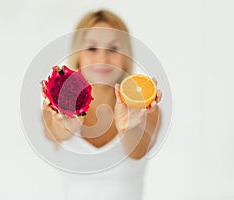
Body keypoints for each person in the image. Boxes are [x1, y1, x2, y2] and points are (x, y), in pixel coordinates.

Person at [42, 9, 162, 200]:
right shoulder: (55, 108)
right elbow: (54, 132)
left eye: (113, 49)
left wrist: (129, 127)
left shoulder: (145, 108)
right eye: (91, 49)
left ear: (125, 56)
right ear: (78, 54)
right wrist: (65, 125)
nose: (102, 59)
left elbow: (138, 151)